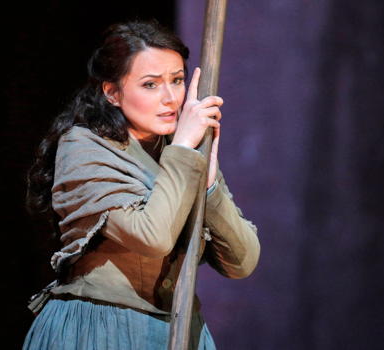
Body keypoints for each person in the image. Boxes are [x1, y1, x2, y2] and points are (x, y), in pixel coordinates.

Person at [23, 20, 260, 350]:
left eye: (177, 81)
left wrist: (209, 186)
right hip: (102, 330)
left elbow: (243, 261)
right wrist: (182, 151)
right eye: (150, 85)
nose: (170, 98)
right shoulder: (84, 147)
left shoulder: (183, 152)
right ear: (113, 92)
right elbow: (153, 236)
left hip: (178, 333)